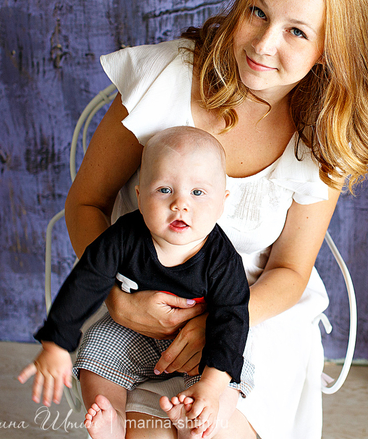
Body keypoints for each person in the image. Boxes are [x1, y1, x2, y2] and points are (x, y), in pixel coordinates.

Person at [64, 0, 368, 439]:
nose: (263, 44)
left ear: (329, 51)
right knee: (148, 433)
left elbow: (289, 270)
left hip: (257, 309)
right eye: (258, 12)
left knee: (211, 431)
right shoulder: (167, 79)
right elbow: (85, 203)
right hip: (139, 296)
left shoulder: (323, 134)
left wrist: (220, 322)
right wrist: (116, 298)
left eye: (297, 31)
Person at [19, 127, 250, 439]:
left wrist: (211, 385)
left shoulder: (222, 259)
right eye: (165, 190)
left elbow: (232, 318)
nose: (180, 204)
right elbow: (87, 279)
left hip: (202, 336)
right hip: (132, 330)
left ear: (222, 202)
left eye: (198, 193)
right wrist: (56, 343)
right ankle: (113, 418)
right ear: (140, 197)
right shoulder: (124, 237)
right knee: (97, 347)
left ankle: (199, 420)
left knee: (227, 370)